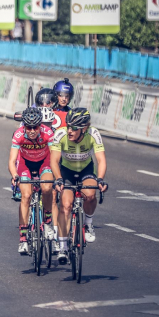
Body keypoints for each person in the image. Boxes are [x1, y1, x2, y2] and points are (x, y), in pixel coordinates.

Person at [50, 108, 108, 265]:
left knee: (90, 195)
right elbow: (54, 160)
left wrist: (101, 179)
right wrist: (59, 179)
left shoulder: (93, 134)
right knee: (65, 206)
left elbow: (101, 160)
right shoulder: (60, 134)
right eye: (68, 126)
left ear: (84, 128)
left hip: (86, 170)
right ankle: (62, 246)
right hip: (66, 172)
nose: (69, 130)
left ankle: (88, 224)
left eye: (74, 128)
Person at [8, 107, 56, 255]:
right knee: (26, 196)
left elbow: (54, 157)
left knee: (47, 189)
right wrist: (15, 175)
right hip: (25, 165)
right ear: (24, 126)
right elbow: (12, 160)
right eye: (29, 127)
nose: (32, 130)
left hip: (45, 163)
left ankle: (48, 222)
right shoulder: (18, 135)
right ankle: (23, 238)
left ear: (41, 125)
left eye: (36, 127)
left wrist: (57, 175)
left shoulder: (48, 133)